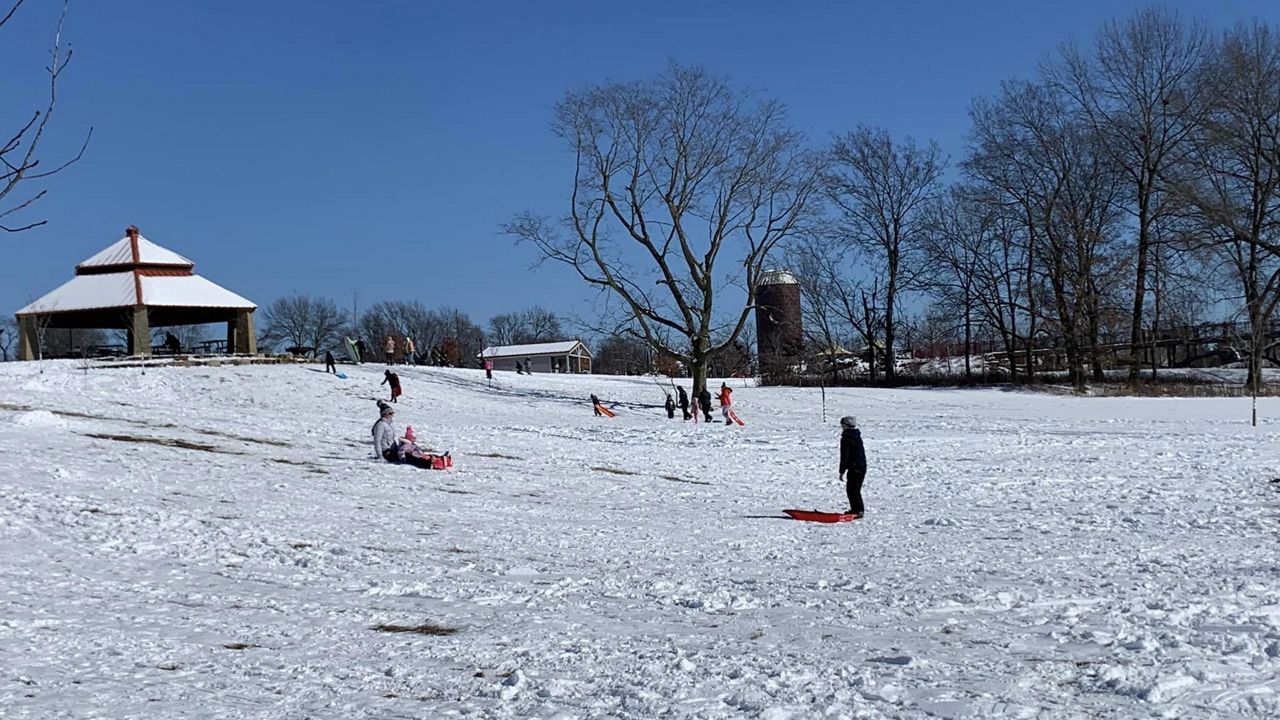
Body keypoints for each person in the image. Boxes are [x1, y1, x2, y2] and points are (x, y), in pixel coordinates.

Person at [838, 416, 866, 518]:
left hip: (854, 468)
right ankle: (857, 509)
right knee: (855, 489)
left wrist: (842, 471)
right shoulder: (857, 436)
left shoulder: (846, 438)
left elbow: (844, 456)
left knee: (852, 490)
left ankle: (858, 510)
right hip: (861, 466)